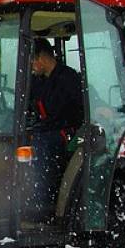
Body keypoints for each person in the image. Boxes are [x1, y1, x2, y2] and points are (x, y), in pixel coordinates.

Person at [26, 37, 82, 220]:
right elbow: (29, 103)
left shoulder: (68, 79)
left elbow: (70, 111)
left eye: (32, 61)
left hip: (68, 132)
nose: (32, 66)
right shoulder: (38, 82)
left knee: (42, 144)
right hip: (46, 129)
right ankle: (29, 197)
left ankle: (44, 204)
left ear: (41, 58)